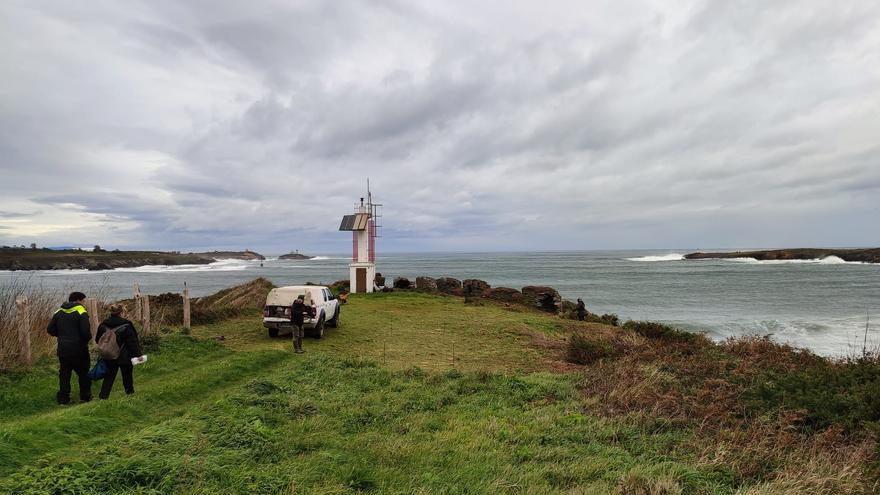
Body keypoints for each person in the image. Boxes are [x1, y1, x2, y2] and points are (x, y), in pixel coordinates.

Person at [47, 291, 92, 404]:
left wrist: (62, 336)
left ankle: (63, 399)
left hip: (63, 348)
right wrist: (85, 340)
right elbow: (85, 332)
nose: (84, 303)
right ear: (78, 300)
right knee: (83, 373)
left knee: (64, 374)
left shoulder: (59, 311)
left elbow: (50, 329)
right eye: (83, 300)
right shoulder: (81, 311)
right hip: (79, 349)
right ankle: (85, 396)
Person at [95, 304, 143, 399]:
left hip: (109, 355)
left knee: (109, 377)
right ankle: (130, 395)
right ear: (121, 312)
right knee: (127, 376)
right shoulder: (127, 325)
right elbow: (132, 342)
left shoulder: (103, 324)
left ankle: (103, 396)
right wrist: (138, 355)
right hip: (125, 355)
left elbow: (98, 339)